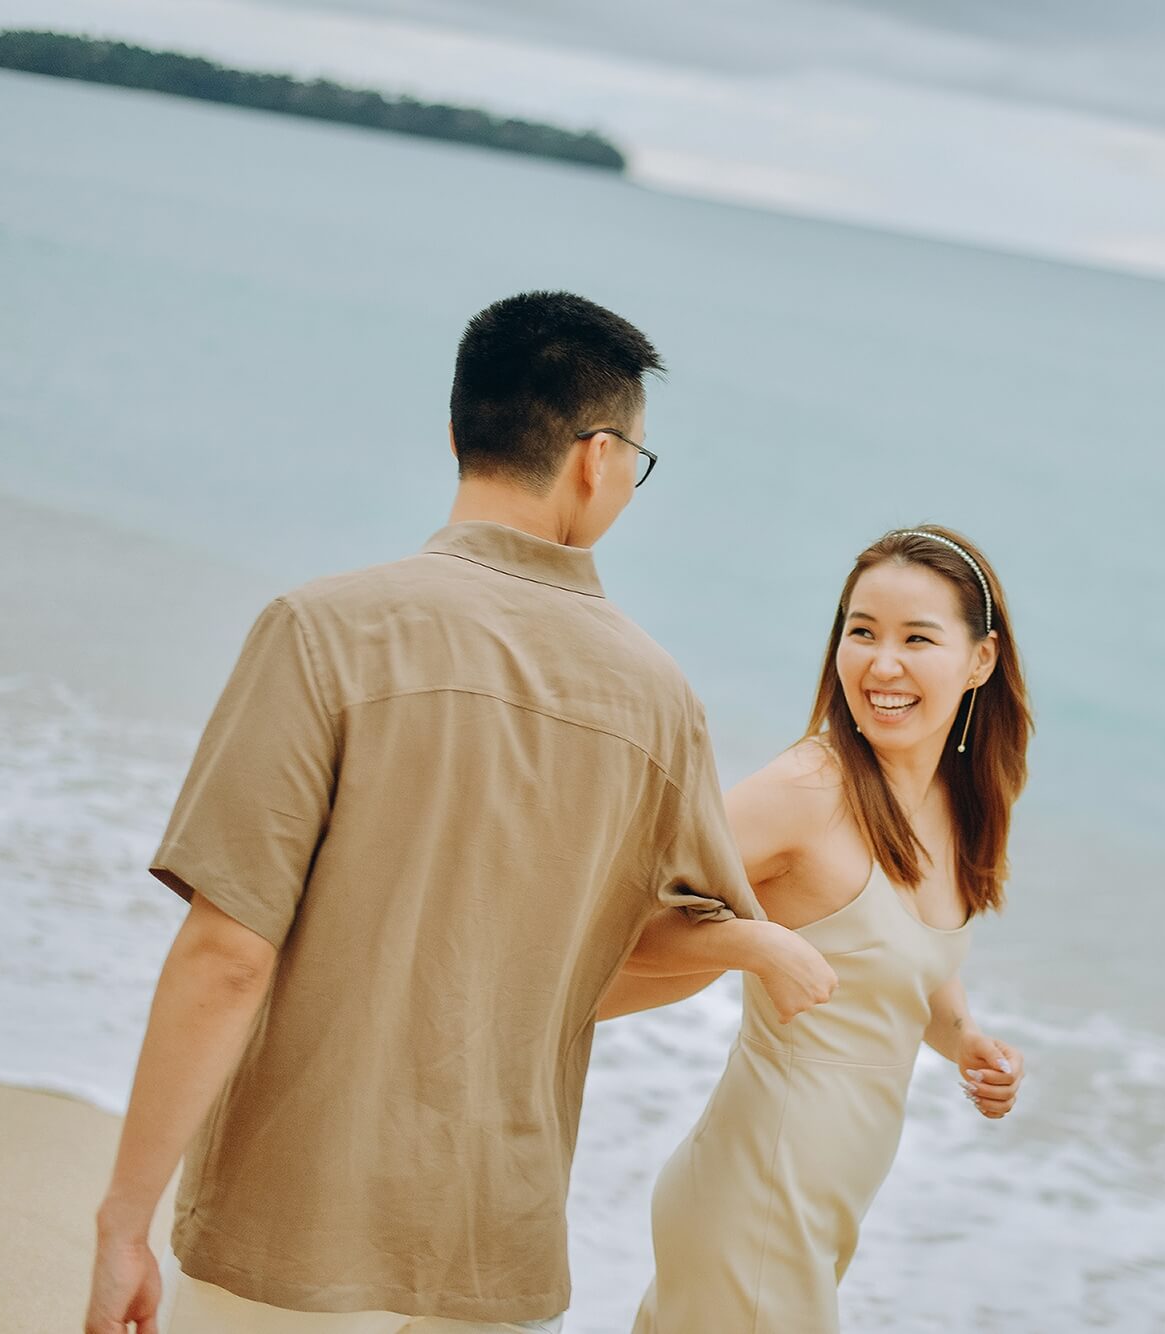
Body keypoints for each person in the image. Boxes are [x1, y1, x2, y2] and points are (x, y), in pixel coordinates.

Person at [82, 291, 837, 1334]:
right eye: (636, 462)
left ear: (455, 432)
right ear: (597, 456)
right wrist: (752, 938)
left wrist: (123, 1221)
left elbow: (227, 953)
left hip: (290, 1221)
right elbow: (661, 949)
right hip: (493, 1235)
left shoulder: (323, 630)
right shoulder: (659, 701)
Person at [605, 525, 1034, 1333]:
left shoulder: (959, 805)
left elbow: (908, 964)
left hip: (821, 1211)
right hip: (755, 1202)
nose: (882, 664)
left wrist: (966, 1037)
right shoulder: (810, 788)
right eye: (862, 631)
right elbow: (618, 923)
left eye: (917, 638)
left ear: (980, 660)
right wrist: (755, 945)